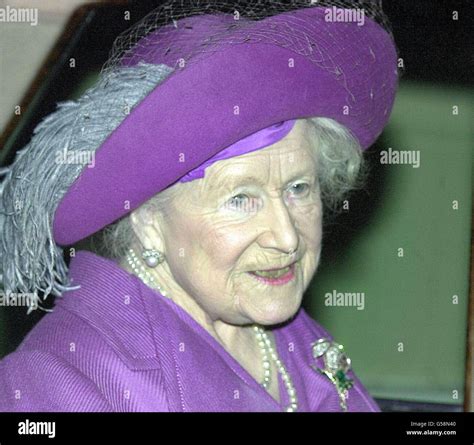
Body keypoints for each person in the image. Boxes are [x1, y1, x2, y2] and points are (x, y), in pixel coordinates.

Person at [0, 0, 398, 412]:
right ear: (147, 218)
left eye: (298, 188)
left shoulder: (296, 340)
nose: (287, 237)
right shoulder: (59, 379)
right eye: (241, 199)